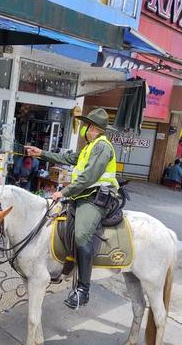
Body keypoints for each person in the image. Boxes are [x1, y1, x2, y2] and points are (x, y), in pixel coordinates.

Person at [25, 108, 118, 309]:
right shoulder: (90, 147)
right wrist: (41, 153)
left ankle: (83, 290)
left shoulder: (102, 147)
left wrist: (64, 192)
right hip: (82, 195)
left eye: (87, 126)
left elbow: (89, 177)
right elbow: (68, 159)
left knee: (82, 235)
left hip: (95, 199)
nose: (84, 129)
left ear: (94, 129)